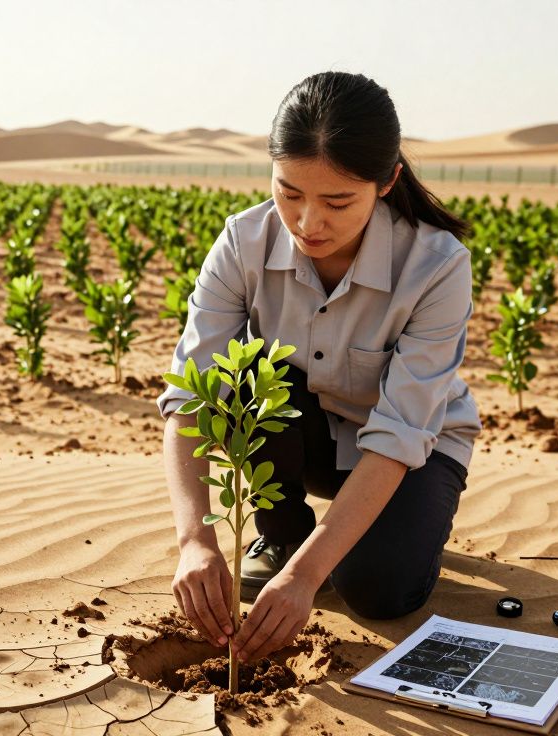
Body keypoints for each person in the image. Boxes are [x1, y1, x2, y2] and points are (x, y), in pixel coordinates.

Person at [155, 71, 483, 666]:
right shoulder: (241, 243)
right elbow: (190, 397)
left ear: (388, 182)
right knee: (248, 368)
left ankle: (401, 532)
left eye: (337, 202)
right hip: (304, 444)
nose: (308, 223)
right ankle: (281, 537)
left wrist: (308, 579)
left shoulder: (437, 265)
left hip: (407, 454)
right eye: (289, 193)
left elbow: (400, 433)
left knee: (378, 591)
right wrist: (195, 540)